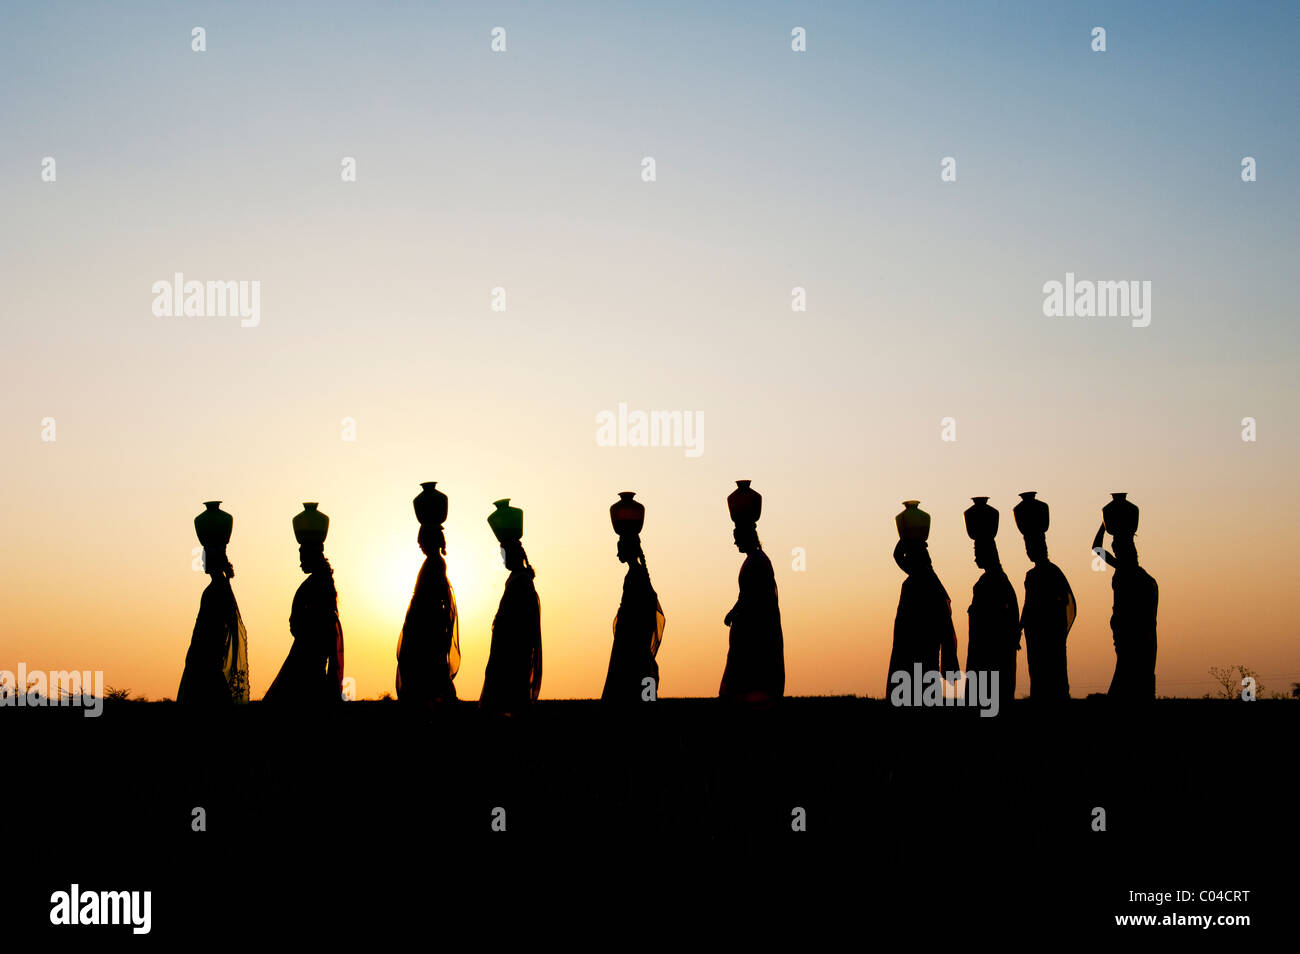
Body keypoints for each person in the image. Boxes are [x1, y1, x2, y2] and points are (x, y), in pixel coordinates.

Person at [263, 503, 345, 705]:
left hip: (306, 662)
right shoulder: (319, 582)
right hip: (307, 659)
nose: (300, 562)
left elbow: (318, 628)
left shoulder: (317, 585)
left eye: (302, 556)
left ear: (311, 555)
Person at [719, 481, 785, 703]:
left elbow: (753, 599)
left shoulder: (757, 561)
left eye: (737, 534)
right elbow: (746, 596)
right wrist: (734, 611)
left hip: (754, 633)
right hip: (748, 629)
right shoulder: (755, 560)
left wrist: (737, 613)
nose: (734, 540)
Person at [178, 501, 249, 705]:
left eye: (204, 557)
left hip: (206, 662)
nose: (201, 561)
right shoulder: (218, 588)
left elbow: (214, 630)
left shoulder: (217, 590)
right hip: (205, 660)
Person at [397, 482, 460, 706]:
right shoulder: (433, 562)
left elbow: (433, 597)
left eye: (421, 541)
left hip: (427, 626)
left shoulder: (435, 563)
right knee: (429, 670)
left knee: (426, 669)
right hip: (425, 625)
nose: (420, 545)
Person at [887, 501, 958, 696]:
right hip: (916, 656)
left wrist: (907, 539)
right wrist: (909, 539)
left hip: (920, 655)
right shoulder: (922, 581)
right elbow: (898, 557)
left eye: (909, 556)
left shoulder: (922, 583)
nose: (905, 561)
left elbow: (898, 556)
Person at [1093, 498, 1158, 702]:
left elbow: (1096, 548)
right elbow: (1097, 549)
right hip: (1132, 632)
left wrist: (1103, 525)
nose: (1115, 550)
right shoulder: (1141, 577)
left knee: (1128, 670)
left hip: (1129, 631)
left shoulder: (1130, 575)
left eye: (1118, 547)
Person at [480, 499, 542, 713]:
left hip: (513, 652)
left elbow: (517, 621)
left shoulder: (521, 581)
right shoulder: (517, 579)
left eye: (504, 553)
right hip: (508, 650)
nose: (502, 558)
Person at [603, 492, 664, 703]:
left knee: (634, 691)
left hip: (632, 646)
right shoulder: (635, 575)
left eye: (620, 546)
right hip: (630, 644)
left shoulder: (635, 576)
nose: (617, 552)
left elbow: (639, 614)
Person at [1014, 492, 1074, 701]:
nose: (1028, 551)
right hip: (1040, 635)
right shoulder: (1043, 574)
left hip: (1046, 635)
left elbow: (1031, 606)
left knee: (1049, 678)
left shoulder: (1045, 574)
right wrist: (1021, 628)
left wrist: (1021, 628)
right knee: (1042, 678)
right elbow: (1028, 606)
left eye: (1029, 546)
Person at [962, 497, 1019, 711]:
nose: (975, 556)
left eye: (977, 551)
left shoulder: (996, 582)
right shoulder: (989, 581)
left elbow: (1009, 618)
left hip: (990, 657)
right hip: (981, 655)